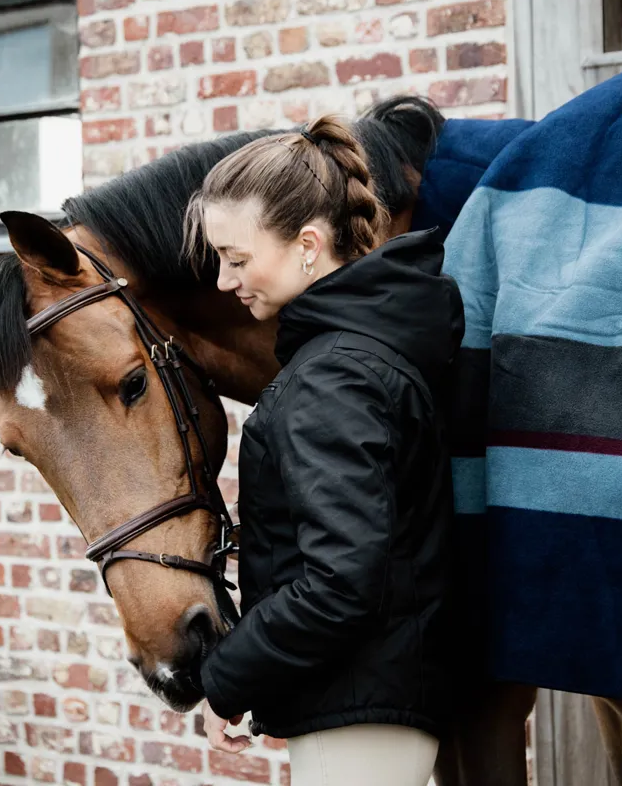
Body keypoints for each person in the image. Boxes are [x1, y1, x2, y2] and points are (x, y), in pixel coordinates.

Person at [183, 114, 464, 786]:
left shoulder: (332, 376)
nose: (223, 281)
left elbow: (342, 580)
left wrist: (228, 673)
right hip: (365, 700)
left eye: (237, 259)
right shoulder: (358, 355)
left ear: (308, 244)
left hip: (359, 710)